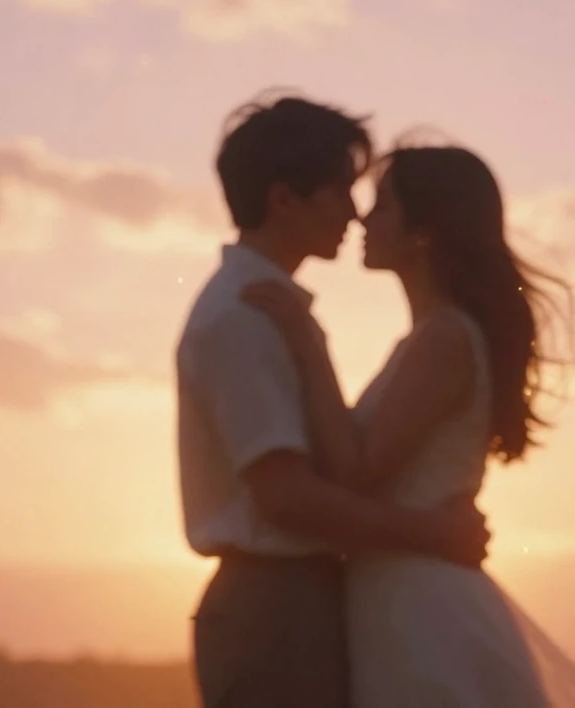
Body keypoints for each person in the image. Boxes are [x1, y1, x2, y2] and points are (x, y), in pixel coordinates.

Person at [242, 142, 575, 706]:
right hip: (402, 601)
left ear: (424, 230)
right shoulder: (432, 338)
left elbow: (358, 472)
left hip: (422, 613)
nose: (364, 219)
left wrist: (309, 343)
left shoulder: (446, 338)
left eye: (384, 205)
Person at [175, 94, 492, 708]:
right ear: (284, 199)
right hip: (276, 607)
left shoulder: (271, 312)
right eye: (341, 190)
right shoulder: (244, 317)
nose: (354, 211)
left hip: (306, 601)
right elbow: (286, 496)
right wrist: (431, 532)